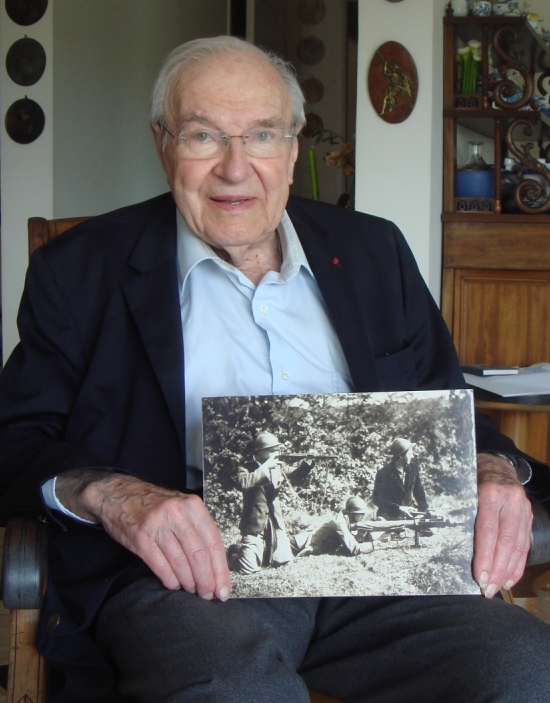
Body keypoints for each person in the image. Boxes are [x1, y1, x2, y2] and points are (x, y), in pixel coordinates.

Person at [0, 34, 549, 703]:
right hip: (190, 579)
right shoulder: (79, 271)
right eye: (203, 135)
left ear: (292, 148)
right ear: (162, 143)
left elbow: (444, 403)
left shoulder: (373, 250)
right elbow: (15, 441)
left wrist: (491, 470)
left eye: (261, 134)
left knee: (528, 668)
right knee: (232, 689)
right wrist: (115, 495)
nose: (236, 169)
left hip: (382, 568)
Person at [228, 430, 313, 574]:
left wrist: (307, 463)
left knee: (283, 561)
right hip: (255, 523)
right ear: (259, 453)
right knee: (248, 569)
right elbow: (243, 483)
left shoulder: (277, 466)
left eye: (277, 450)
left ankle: (262, 552)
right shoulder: (245, 468)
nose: (276, 453)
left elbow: (294, 474)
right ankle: (233, 555)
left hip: (274, 522)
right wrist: (265, 467)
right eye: (272, 451)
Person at [291, 495, 371, 557]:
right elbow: (354, 549)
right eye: (361, 514)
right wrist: (374, 545)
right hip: (296, 545)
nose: (363, 516)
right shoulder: (340, 524)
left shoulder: (346, 519)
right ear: (352, 513)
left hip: (304, 545)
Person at [372, 438, 429, 520]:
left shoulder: (413, 468)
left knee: (431, 530)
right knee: (382, 527)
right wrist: (399, 508)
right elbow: (377, 499)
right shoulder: (384, 473)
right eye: (409, 454)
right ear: (401, 456)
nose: (412, 456)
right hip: (389, 514)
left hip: (410, 511)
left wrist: (425, 508)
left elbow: (418, 490)